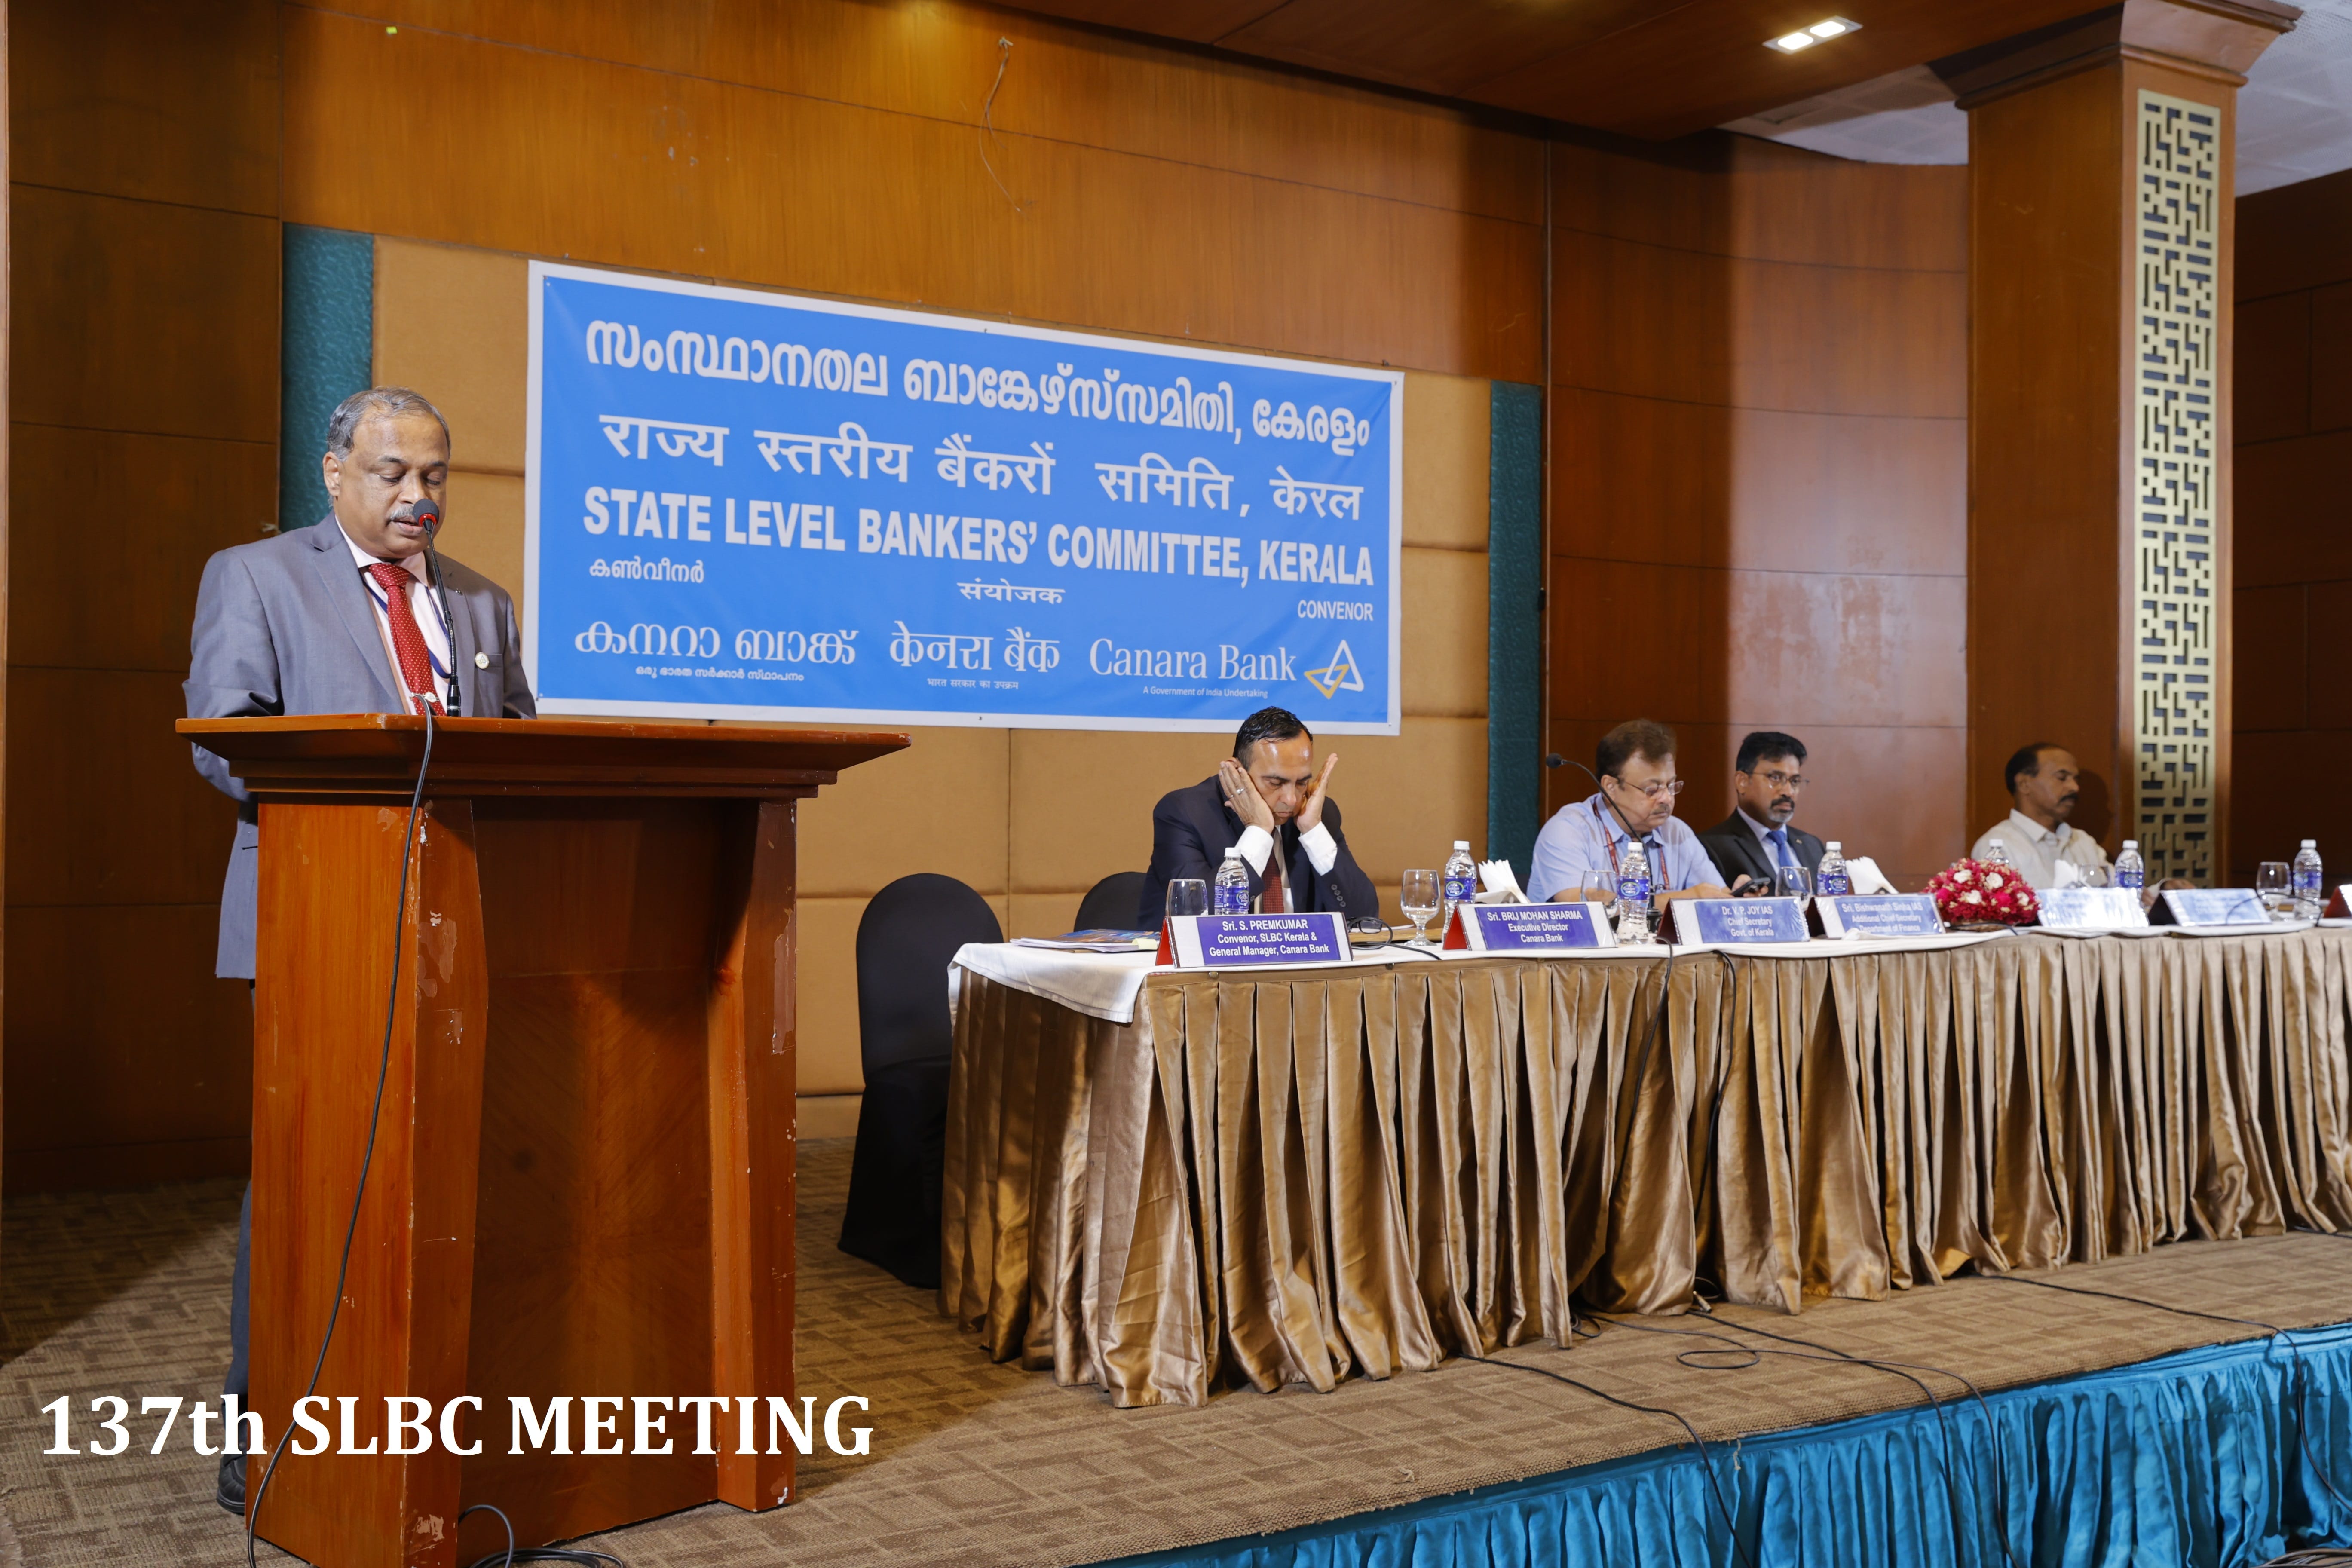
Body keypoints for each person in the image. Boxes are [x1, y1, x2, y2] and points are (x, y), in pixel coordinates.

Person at [184, 387, 536, 1514]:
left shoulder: (480, 603)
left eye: (434, 476)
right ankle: (267, 1426)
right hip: (316, 925)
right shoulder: (256, 577)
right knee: (312, 1176)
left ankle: (435, 1417)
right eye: (392, 474)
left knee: (457, 1168)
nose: (417, 497)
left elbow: (521, 751)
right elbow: (222, 739)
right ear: (334, 474)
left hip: (461, 926)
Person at [1136, 706, 1379, 926]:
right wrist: (1259, 831)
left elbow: (1366, 920)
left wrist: (1313, 830)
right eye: (1276, 783)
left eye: (1301, 783)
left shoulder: (1316, 814)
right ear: (1236, 772)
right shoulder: (1185, 812)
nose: (1291, 800)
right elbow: (1195, 919)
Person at [1528, 719, 1736, 905]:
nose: (1666, 798)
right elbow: (1582, 907)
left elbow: (1717, 897)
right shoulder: (1569, 830)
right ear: (1610, 787)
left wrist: (1739, 898)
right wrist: (1683, 899)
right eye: (1652, 789)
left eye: (1671, 785)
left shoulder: (1677, 832)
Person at [1697, 731, 1826, 893]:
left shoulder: (1812, 845)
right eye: (1776, 778)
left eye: (1795, 781)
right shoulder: (1711, 847)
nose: (1788, 792)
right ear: (1742, 782)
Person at [1971, 742, 2110, 888]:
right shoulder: (1998, 847)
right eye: (2062, 778)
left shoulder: (2084, 842)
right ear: (2025, 784)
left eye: (2076, 780)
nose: (2075, 787)